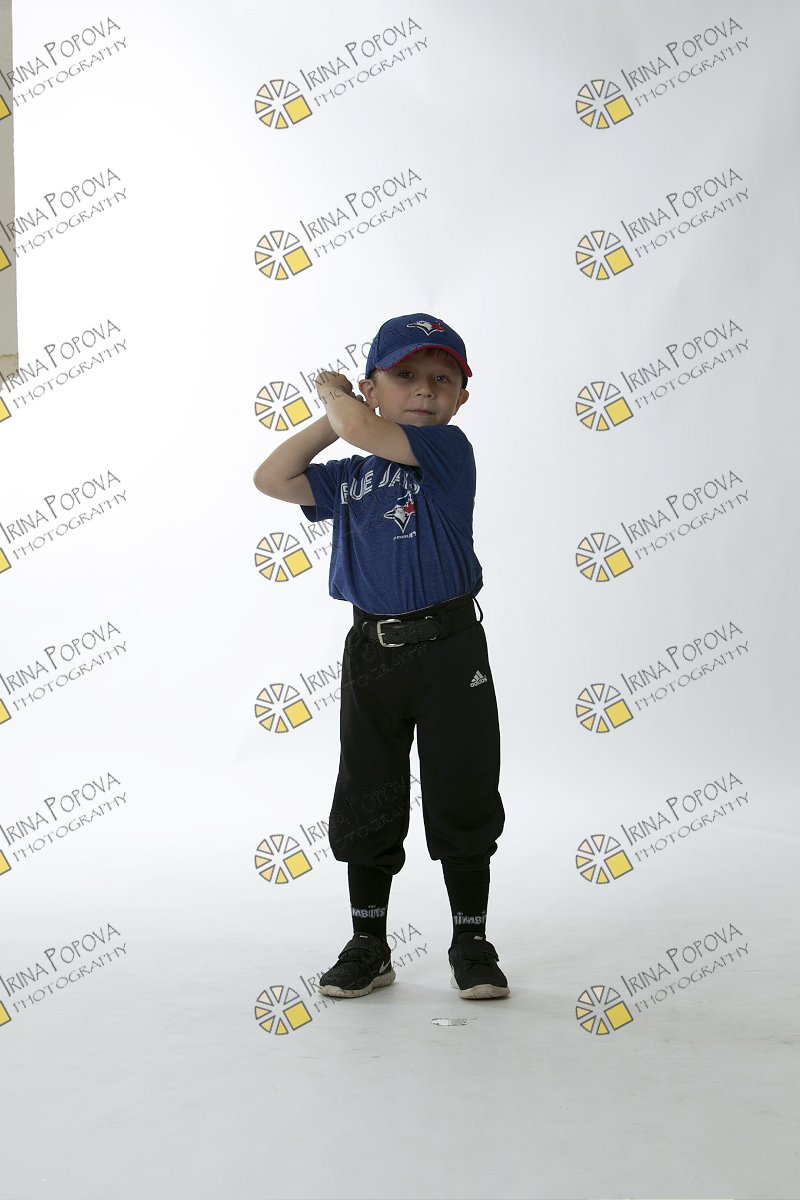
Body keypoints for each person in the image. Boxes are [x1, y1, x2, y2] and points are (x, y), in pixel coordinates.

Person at [253, 313, 509, 1001]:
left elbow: (363, 429)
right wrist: (337, 413)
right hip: (373, 651)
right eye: (405, 376)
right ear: (373, 388)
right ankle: (369, 942)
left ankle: (471, 941)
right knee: (368, 792)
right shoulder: (351, 474)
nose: (425, 390)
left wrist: (338, 396)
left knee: (462, 785)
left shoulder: (447, 450)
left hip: (451, 649)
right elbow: (272, 477)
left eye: (442, 380)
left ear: (460, 398)